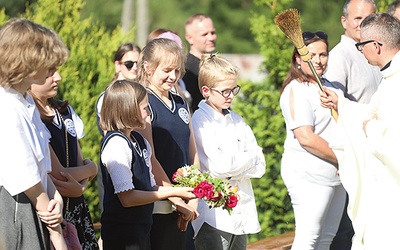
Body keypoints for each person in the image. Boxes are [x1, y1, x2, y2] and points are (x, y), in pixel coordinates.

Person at [320, 13, 400, 250]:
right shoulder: (390, 78)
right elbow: (377, 116)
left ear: (376, 46)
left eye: (361, 45)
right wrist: (341, 104)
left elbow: (393, 139)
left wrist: (371, 128)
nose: (359, 50)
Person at [98, 79, 196, 250]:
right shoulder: (117, 144)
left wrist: (182, 195)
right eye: (145, 108)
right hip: (122, 237)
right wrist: (174, 191)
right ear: (129, 110)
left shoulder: (140, 141)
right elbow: (127, 198)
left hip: (141, 231)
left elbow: (149, 186)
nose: (149, 114)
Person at [0, 18, 69, 249]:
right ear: (27, 66)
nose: (56, 76)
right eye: (50, 69)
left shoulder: (25, 101)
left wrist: (56, 199)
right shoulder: (6, 107)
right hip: (16, 211)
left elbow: (43, 164)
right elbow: (24, 171)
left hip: (37, 206)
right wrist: (55, 228)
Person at [190, 53, 265, 250]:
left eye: (234, 89)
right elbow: (221, 168)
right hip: (214, 215)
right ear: (206, 91)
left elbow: (260, 163)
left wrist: (238, 164)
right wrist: (247, 159)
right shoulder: (200, 121)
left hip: (241, 209)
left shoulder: (237, 119)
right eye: (225, 91)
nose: (231, 96)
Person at [280, 32, 346, 250]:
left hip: (336, 175)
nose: (318, 60)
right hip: (309, 174)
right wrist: (342, 158)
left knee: (326, 238)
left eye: (323, 55)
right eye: (311, 54)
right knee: (309, 237)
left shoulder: (332, 87)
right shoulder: (296, 90)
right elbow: (305, 137)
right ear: (298, 58)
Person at [136, 38, 199, 250]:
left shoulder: (179, 100)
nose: (173, 77)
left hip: (186, 202)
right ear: (148, 68)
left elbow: (192, 151)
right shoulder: (144, 102)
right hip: (161, 205)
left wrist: (194, 195)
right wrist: (176, 199)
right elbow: (149, 157)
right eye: (167, 70)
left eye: (177, 71)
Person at [29, 71, 99, 249]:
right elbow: (59, 173)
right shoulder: (32, 118)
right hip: (54, 213)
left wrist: (82, 185)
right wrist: (92, 169)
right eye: (50, 73)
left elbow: (79, 161)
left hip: (78, 209)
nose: (58, 77)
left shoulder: (65, 111)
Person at [183, 13, 217, 112]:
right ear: (189, 38)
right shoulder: (185, 69)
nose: (211, 38)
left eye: (213, 33)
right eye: (204, 34)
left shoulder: (217, 64)